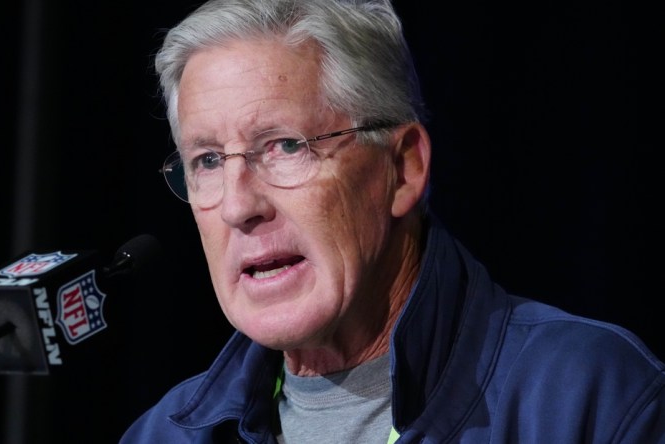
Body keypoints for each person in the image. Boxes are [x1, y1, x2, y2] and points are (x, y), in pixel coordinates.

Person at [120, 0, 665, 442]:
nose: (239, 207)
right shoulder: (163, 435)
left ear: (403, 168)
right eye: (207, 161)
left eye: (285, 146)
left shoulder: (589, 398)